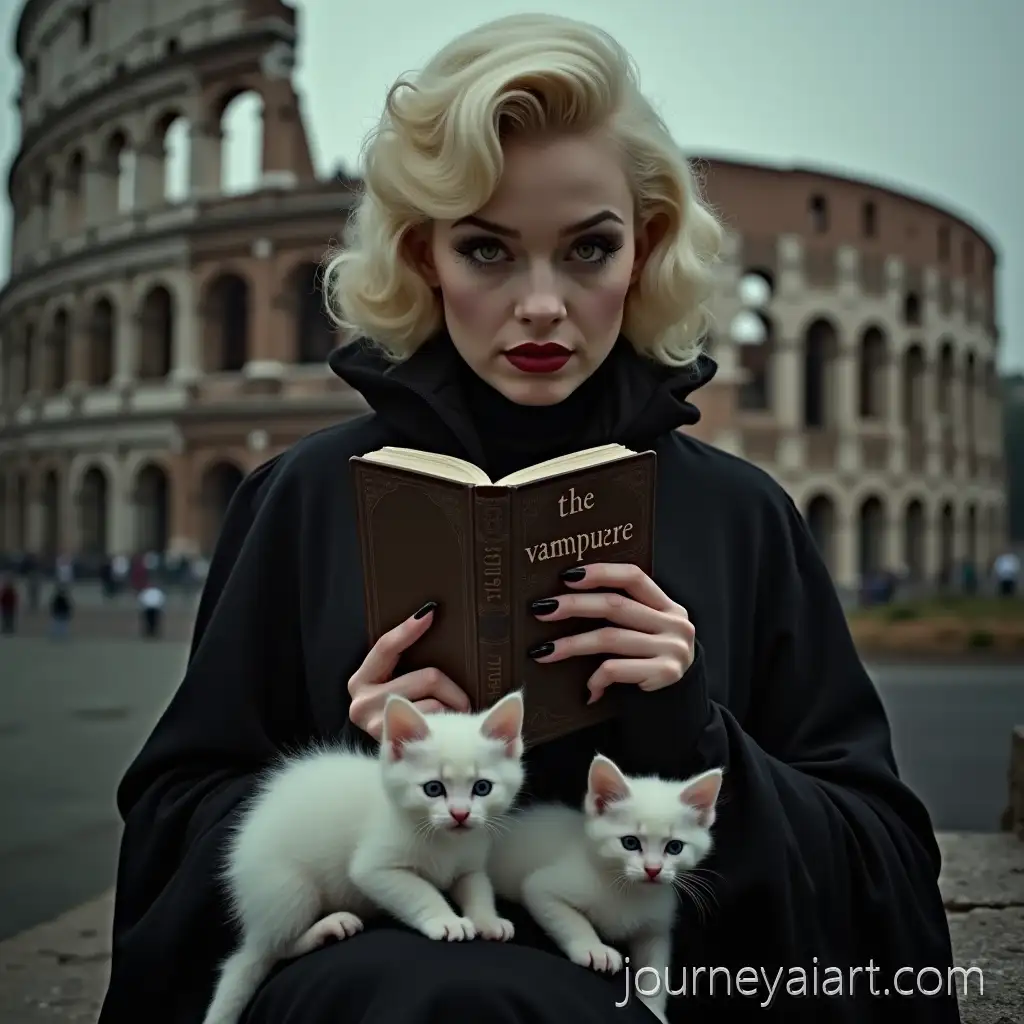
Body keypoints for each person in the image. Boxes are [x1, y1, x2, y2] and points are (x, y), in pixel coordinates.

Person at [97, 14, 959, 1024]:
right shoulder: (305, 497)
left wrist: (695, 734)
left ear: (646, 251)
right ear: (424, 258)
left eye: (588, 247)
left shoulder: (742, 514)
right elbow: (169, 835)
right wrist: (357, 773)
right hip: (380, 981)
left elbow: (885, 866)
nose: (542, 304)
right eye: (487, 250)